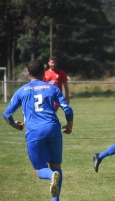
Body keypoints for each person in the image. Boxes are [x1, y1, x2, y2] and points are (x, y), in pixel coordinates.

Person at [3, 60, 73, 201]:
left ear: (28, 74)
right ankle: (55, 199)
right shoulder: (53, 88)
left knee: (40, 169)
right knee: (56, 166)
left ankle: (50, 176)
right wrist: (69, 125)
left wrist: (14, 125)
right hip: (53, 129)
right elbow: (67, 109)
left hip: (35, 132)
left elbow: (6, 114)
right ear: (43, 74)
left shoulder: (21, 91)